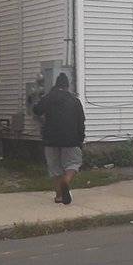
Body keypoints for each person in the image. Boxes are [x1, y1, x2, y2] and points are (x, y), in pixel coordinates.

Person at [33, 73, 86, 204]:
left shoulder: (48, 98)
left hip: (50, 138)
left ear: (56, 85)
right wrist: (81, 138)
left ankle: (58, 196)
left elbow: (36, 110)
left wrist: (37, 98)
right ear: (67, 86)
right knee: (73, 163)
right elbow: (81, 121)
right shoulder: (75, 100)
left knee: (55, 168)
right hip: (71, 138)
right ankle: (66, 181)